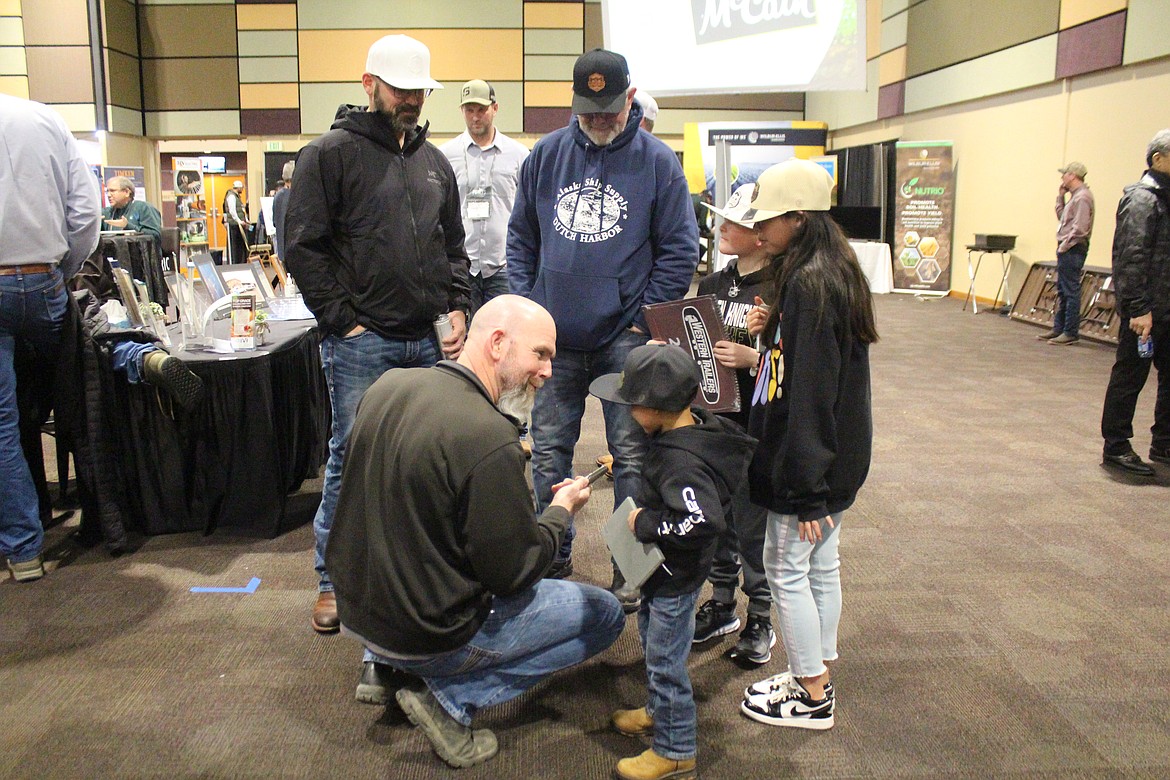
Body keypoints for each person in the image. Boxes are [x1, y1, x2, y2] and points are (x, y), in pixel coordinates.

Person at [329, 295, 624, 769]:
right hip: (428, 631)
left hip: (359, 612)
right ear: (498, 343)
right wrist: (559, 511)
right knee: (606, 614)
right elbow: (515, 574)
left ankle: (383, 668)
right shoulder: (488, 436)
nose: (548, 371)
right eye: (541, 354)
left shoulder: (388, 385)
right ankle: (450, 697)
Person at [284, 34, 471, 634]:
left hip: (428, 339)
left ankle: (416, 573)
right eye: (400, 89)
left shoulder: (434, 162)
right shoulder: (329, 155)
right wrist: (344, 321)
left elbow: (455, 249)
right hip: (364, 344)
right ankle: (331, 581)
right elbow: (303, 247)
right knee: (350, 459)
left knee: (424, 459)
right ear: (369, 85)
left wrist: (458, 307)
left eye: (419, 90)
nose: (411, 100)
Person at [507, 48, 699, 608]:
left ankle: (630, 567)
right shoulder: (545, 156)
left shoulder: (659, 163)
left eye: (609, 111)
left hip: (625, 341)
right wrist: (528, 307)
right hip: (554, 342)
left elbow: (679, 250)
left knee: (633, 457)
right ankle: (553, 556)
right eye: (589, 112)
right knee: (548, 455)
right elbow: (521, 240)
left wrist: (643, 320)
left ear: (630, 100)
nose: (599, 121)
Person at [737, 158, 878, 730]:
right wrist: (773, 331)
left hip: (812, 463)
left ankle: (811, 692)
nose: (758, 231)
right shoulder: (828, 270)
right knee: (821, 565)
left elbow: (812, 394)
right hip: (835, 457)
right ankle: (814, 668)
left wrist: (808, 489)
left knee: (786, 566)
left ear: (797, 218)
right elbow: (811, 370)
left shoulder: (812, 283)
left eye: (768, 221)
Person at [589, 344, 756, 780]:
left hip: (675, 577)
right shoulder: (686, 433)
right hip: (665, 576)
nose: (627, 414)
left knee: (665, 662)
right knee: (653, 641)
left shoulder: (679, 462)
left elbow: (702, 523)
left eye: (633, 406)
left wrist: (646, 522)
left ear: (655, 409)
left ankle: (676, 749)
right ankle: (656, 710)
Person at [0, 94, 101, 582]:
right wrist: (60, 272)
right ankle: (100, 517)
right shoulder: (44, 117)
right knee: (76, 392)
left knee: (5, 421)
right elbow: (85, 213)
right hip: (44, 281)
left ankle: (23, 546)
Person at [687, 183, 776, 666]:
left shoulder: (781, 288)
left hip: (756, 424)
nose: (720, 226)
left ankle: (761, 611)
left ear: (761, 235)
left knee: (752, 523)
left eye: (733, 222)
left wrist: (754, 359)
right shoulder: (715, 284)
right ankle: (722, 602)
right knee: (715, 513)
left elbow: (793, 365)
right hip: (714, 418)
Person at [1099, 129, 1170, 477]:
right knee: (1130, 377)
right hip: (1147, 314)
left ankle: (1164, 442)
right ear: (1158, 159)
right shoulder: (1142, 199)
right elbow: (1131, 257)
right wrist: (1140, 308)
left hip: (1168, 310)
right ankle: (1116, 446)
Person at [439, 80, 529, 317]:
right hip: (463, 266)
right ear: (462, 111)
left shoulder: (518, 154)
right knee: (465, 339)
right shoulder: (446, 155)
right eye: (469, 110)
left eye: (481, 110)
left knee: (505, 334)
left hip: (503, 265)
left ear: (495, 108)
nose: (475, 117)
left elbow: (528, 211)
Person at [1038, 162, 1095, 345]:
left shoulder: (1083, 198)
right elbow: (1063, 219)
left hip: (1072, 248)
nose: (1062, 178)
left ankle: (1070, 332)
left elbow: (1080, 229)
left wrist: (1064, 246)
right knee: (1063, 290)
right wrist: (1060, 197)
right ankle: (1059, 329)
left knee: (1071, 291)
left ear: (1073, 175)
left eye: (1064, 174)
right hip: (1067, 247)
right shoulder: (1074, 197)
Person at [101, 176, 162, 245]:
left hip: (139, 254)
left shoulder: (143, 208)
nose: (108, 195)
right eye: (107, 191)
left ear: (127, 192)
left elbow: (155, 236)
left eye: (113, 191)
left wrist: (128, 226)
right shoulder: (107, 212)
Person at [222, 179, 249, 264]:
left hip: (238, 224)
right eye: (242, 188)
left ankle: (240, 262)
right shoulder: (231, 197)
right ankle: (235, 262)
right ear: (239, 188)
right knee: (235, 247)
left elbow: (241, 210)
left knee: (239, 247)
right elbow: (232, 211)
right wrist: (239, 221)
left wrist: (246, 220)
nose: (242, 190)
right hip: (234, 225)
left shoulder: (236, 197)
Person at [271, 161, 293, 259]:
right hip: (293, 252)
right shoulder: (294, 196)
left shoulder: (277, 196)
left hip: (282, 251)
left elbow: (275, 222)